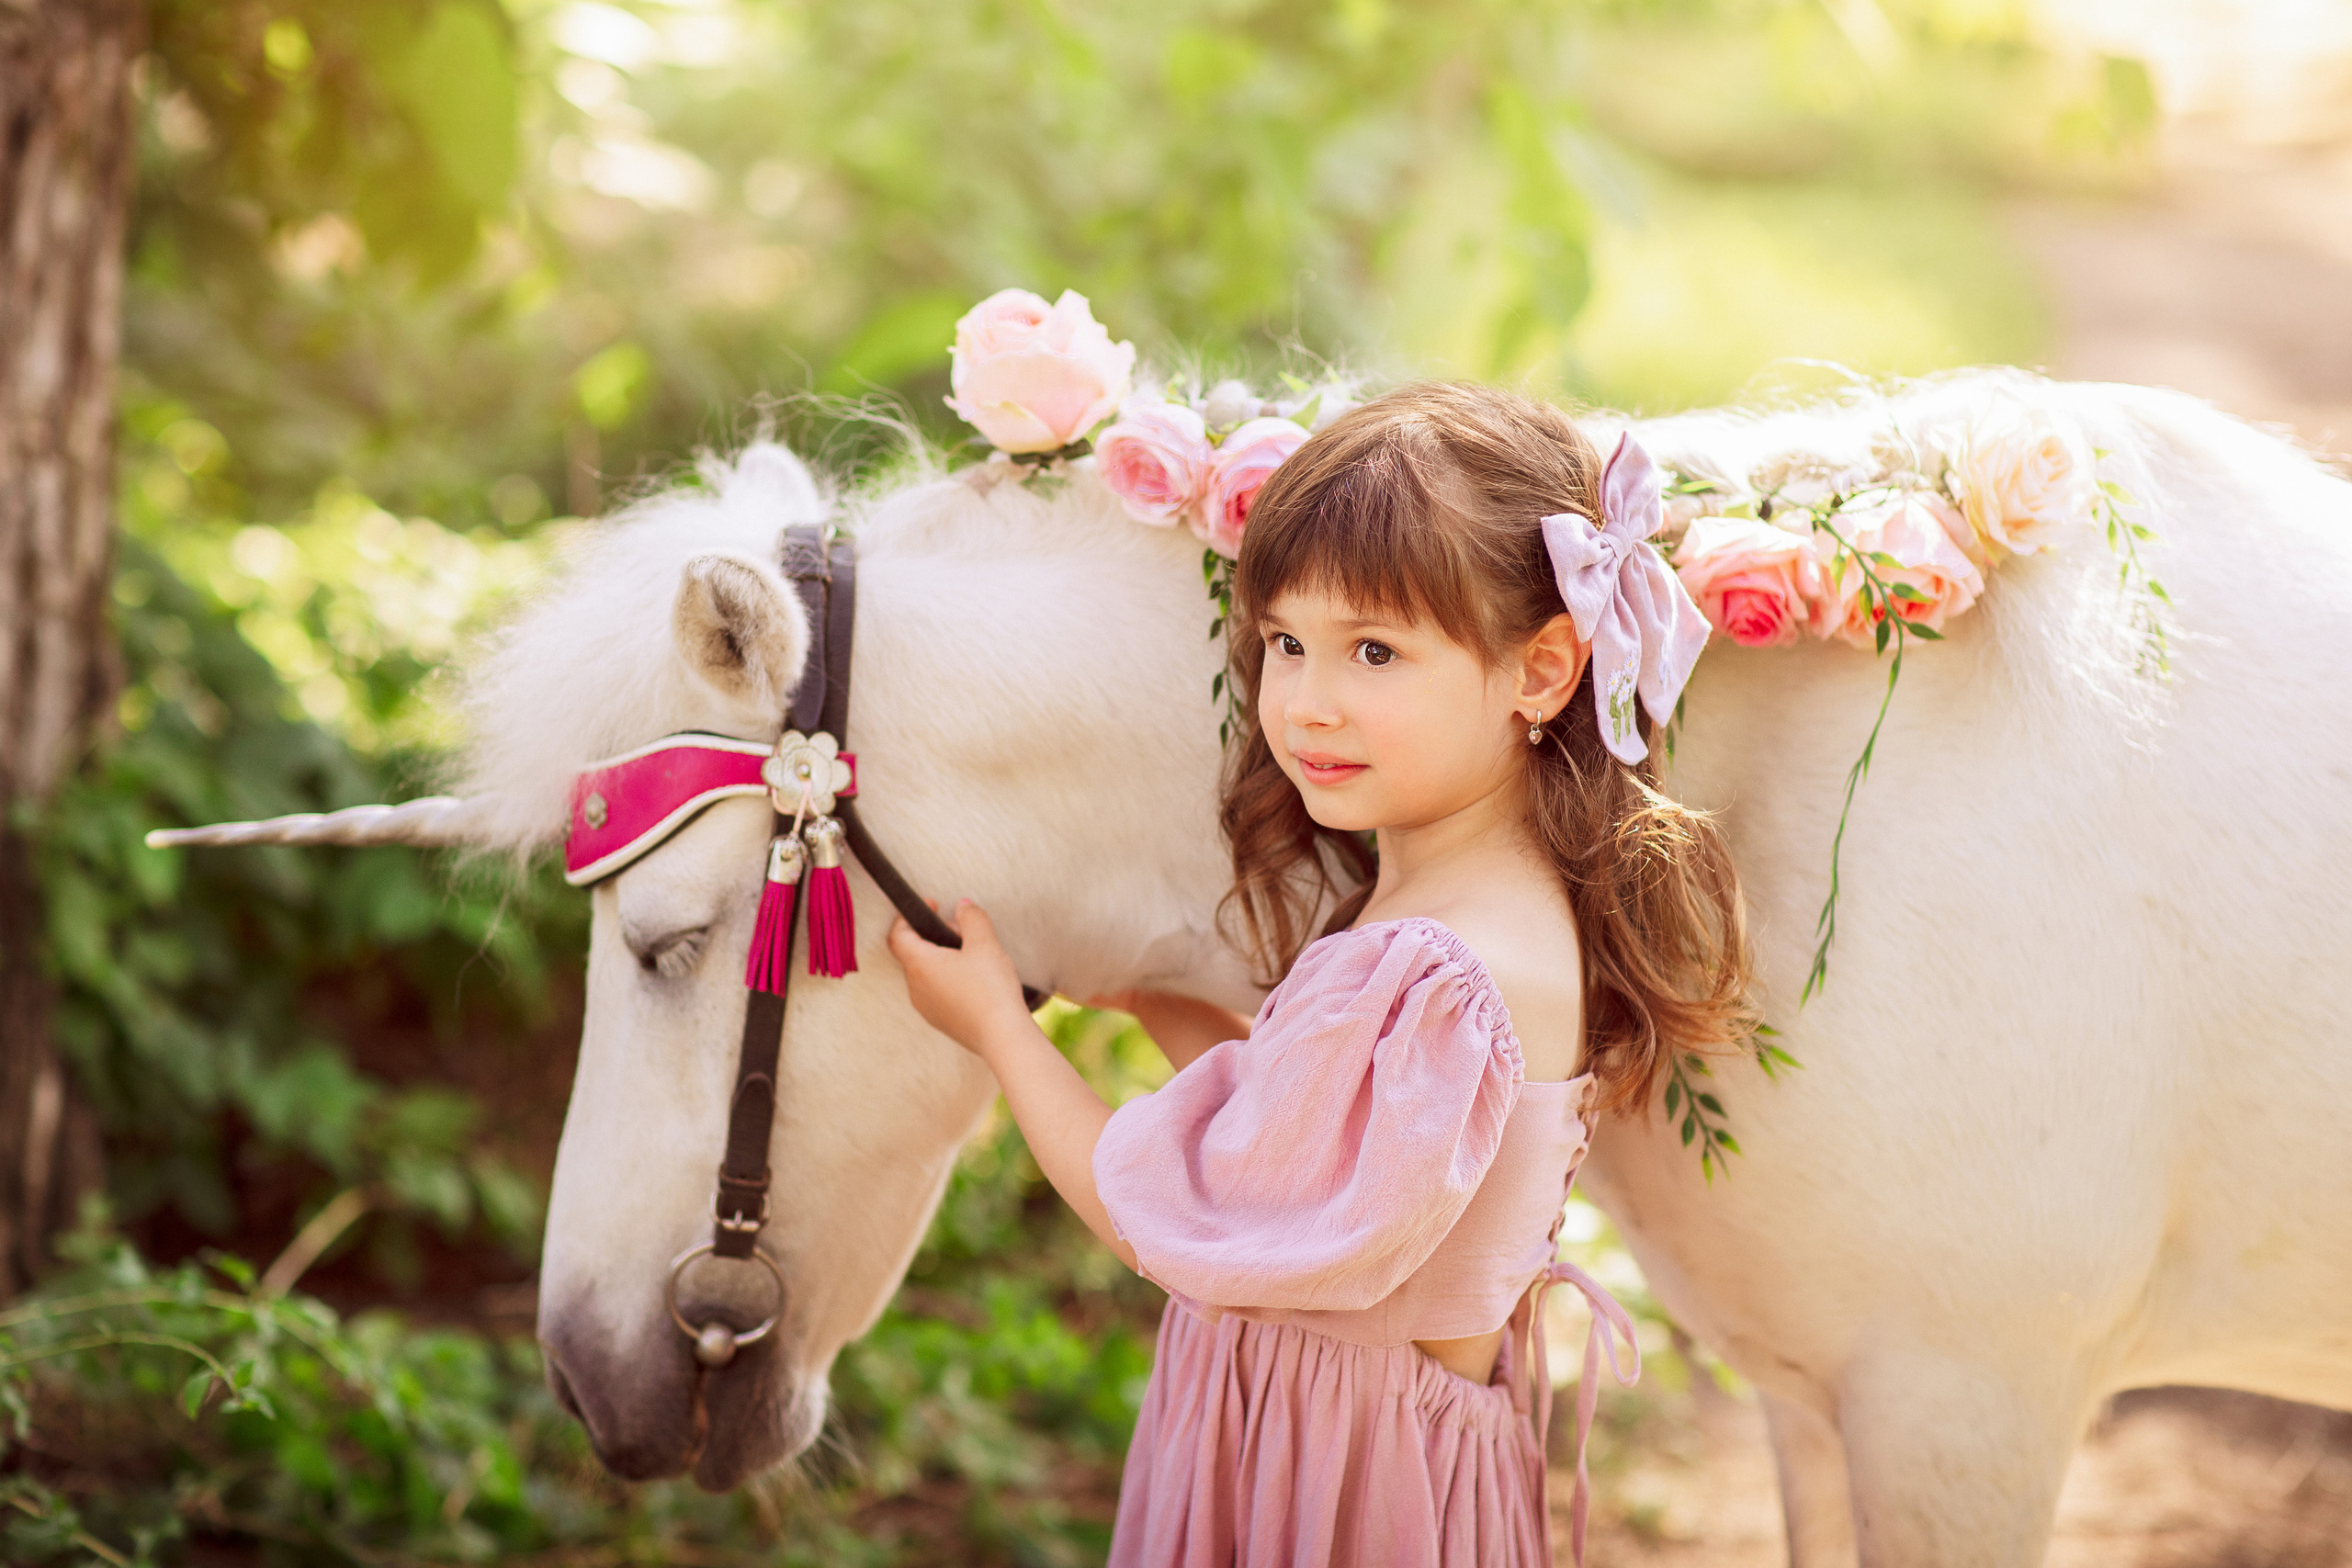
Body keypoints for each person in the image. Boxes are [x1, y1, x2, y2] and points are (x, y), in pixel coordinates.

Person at [888, 381, 1754, 1566]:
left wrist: (997, 1027)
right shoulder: (1463, 896)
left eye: (1375, 652)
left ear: (1544, 670)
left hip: (1338, 1485)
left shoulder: (1445, 969)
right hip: (1361, 1443)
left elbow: (1193, 1223)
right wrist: (1161, 1009)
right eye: (1287, 642)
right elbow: (1309, 1160)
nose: (1306, 703)